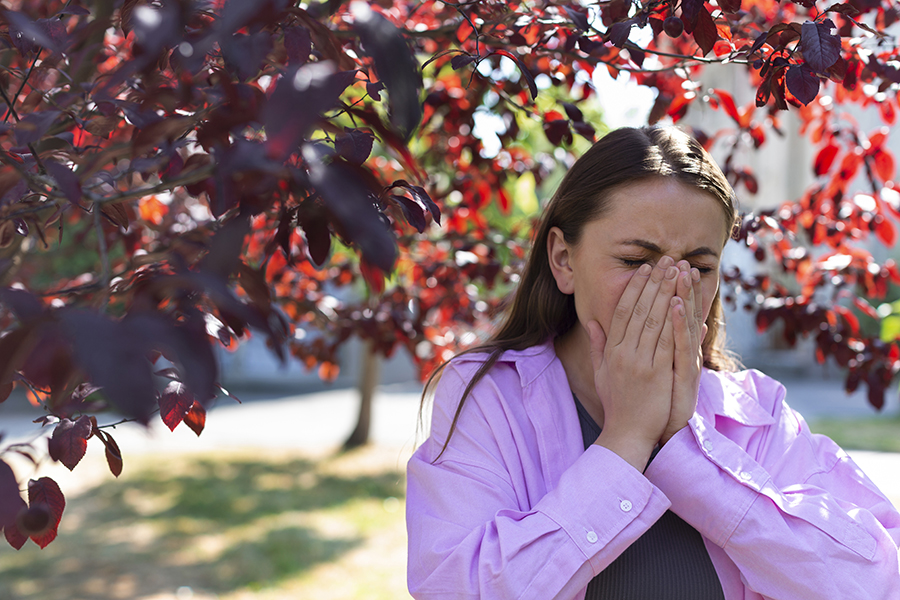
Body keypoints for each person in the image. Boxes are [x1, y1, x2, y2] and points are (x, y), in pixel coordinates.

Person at [405, 126, 900, 600]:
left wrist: (689, 455)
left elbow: (878, 582)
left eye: (700, 268)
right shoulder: (488, 396)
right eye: (636, 261)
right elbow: (456, 586)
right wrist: (625, 442)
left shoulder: (757, 412)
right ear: (563, 259)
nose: (672, 289)